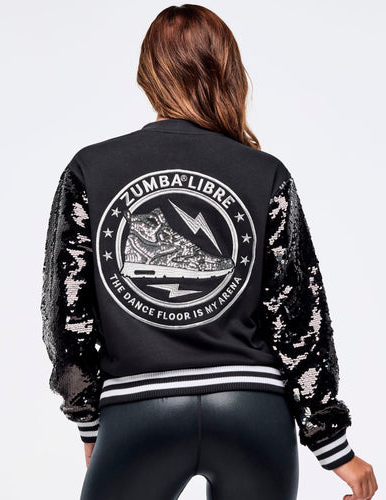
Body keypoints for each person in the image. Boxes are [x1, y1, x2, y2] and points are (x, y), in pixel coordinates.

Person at [40, 4, 378, 500]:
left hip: (140, 410)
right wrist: (334, 446)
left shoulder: (90, 168)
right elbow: (298, 315)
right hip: (253, 412)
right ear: (229, 71)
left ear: (148, 73)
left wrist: (91, 422)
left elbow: (70, 315)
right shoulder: (265, 173)